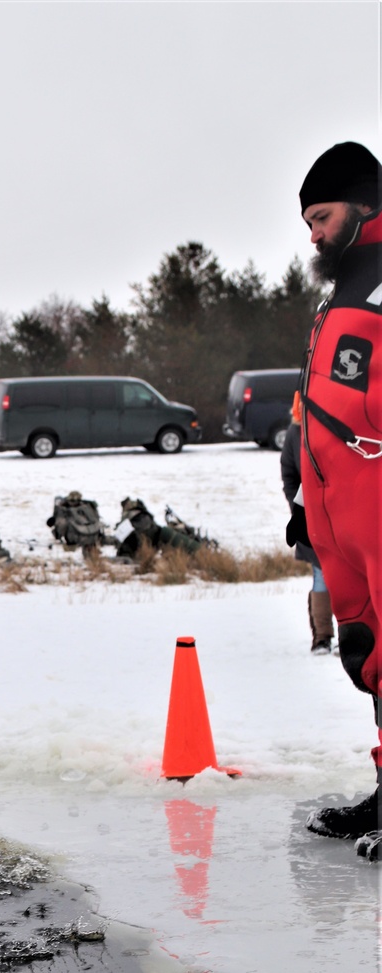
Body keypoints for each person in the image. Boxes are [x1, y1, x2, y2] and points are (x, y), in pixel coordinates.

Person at [295, 141, 382, 861]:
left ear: (363, 202)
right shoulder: (343, 291)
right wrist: (305, 506)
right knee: (370, 653)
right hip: (345, 519)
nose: (315, 234)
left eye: (321, 216)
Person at [280, 392, 334, 653]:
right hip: (313, 519)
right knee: (322, 576)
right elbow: (289, 475)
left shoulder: (334, 429)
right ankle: (322, 637)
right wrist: (299, 507)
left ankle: (342, 636)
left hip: (340, 517)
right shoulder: (296, 433)